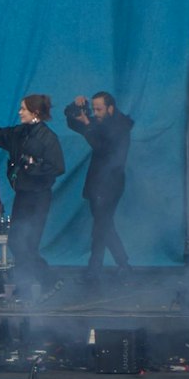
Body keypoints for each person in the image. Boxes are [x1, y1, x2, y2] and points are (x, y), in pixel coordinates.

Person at [0, 93, 64, 300]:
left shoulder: (48, 138)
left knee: (28, 243)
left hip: (38, 197)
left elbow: (58, 167)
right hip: (24, 195)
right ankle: (30, 284)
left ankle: (46, 281)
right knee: (17, 241)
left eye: (23, 109)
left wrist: (33, 166)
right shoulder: (19, 133)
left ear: (35, 113)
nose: (19, 112)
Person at [63, 90, 133, 277]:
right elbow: (71, 121)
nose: (95, 113)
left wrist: (87, 124)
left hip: (111, 183)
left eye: (99, 109)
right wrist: (75, 106)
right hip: (98, 183)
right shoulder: (99, 123)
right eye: (94, 109)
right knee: (104, 224)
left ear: (110, 108)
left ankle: (97, 268)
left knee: (101, 225)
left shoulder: (120, 126)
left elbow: (102, 148)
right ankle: (120, 264)